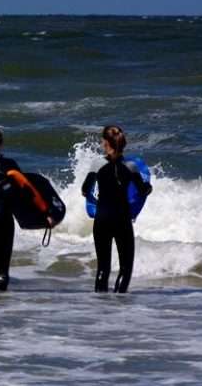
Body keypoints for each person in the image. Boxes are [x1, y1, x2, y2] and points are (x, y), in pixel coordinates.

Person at [0, 127, 52, 291]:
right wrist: (45, 211)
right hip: (2, 214)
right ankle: (1, 307)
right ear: (1, 143)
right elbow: (27, 188)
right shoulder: (9, 164)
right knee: (2, 265)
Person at [81, 125, 152, 293]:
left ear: (106, 143)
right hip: (122, 219)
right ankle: (118, 310)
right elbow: (143, 191)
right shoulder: (131, 166)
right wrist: (149, 187)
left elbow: (85, 190)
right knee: (125, 269)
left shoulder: (97, 164)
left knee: (103, 269)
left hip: (102, 219)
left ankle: (101, 309)